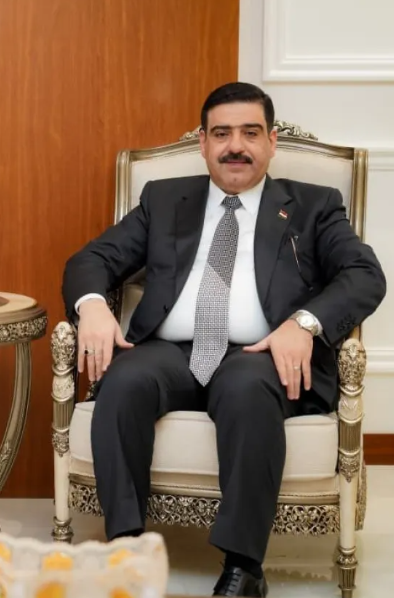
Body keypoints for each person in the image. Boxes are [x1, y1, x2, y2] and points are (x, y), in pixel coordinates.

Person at [62, 82, 385, 597]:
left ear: (272, 142)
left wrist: (303, 323)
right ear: (203, 142)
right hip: (171, 352)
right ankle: (126, 552)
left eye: (250, 133)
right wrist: (94, 307)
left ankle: (243, 568)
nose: (236, 146)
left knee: (246, 388)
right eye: (222, 134)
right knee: (124, 382)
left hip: (259, 354)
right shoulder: (164, 199)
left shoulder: (313, 205)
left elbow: (364, 274)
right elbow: (92, 259)